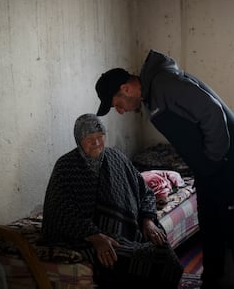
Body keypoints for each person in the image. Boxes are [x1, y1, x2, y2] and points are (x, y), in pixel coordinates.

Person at [95, 49, 234, 289]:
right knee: (210, 230)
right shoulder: (153, 95)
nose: (120, 110)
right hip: (210, 168)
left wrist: (213, 160)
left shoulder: (165, 84)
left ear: (127, 88)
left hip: (233, 161)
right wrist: (205, 168)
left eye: (117, 104)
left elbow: (211, 111)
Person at [41, 113, 183, 289]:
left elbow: (144, 191)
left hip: (127, 229)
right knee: (142, 261)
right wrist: (96, 237)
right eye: (89, 138)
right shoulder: (65, 167)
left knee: (163, 251)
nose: (96, 143)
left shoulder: (117, 158)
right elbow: (59, 212)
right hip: (85, 236)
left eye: (100, 137)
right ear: (78, 140)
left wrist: (148, 220)